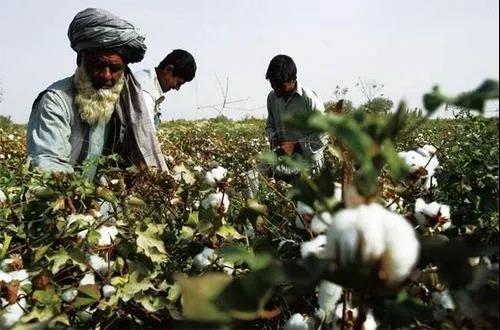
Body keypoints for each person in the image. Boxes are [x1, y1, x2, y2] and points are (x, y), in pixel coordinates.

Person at [27, 8, 168, 180]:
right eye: (98, 65)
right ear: (80, 60)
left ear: (124, 68)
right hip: (63, 200)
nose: (106, 76)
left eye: (115, 68)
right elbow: (48, 163)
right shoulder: (55, 101)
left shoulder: (121, 102)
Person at [243, 55, 328, 197]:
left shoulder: (308, 98)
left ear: (292, 80)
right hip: (282, 158)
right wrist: (274, 138)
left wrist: (296, 146)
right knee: (249, 176)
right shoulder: (272, 97)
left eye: (280, 85)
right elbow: (270, 126)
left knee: (302, 205)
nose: (276, 89)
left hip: (308, 162)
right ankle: (258, 211)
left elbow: (324, 135)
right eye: (273, 84)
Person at [134, 49, 197, 130]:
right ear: (168, 70)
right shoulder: (145, 93)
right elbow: (144, 139)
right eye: (178, 83)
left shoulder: (148, 80)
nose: (177, 88)